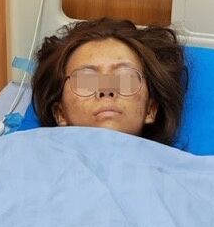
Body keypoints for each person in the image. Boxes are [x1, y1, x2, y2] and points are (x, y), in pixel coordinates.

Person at [30, 18, 187, 145]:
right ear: (60, 113)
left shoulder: (181, 172)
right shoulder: (24, 163)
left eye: (124, 78)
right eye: (87, 80)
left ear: (150, 109)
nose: (106, 89)